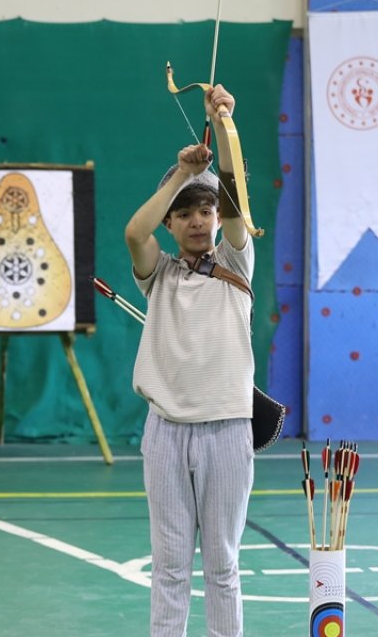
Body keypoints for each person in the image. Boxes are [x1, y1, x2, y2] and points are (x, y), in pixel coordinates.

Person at [123, 84, 254, 637]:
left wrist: (223, 123)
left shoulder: (236, 264)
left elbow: (234, 200)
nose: (199, 220)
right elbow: (135, 232)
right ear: (172, 225)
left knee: (222, 566)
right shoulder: (162, 277)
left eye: (205, 209)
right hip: (167, 433)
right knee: (171, 569)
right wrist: (180, 173)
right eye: (186, 214)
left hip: (226, 430)